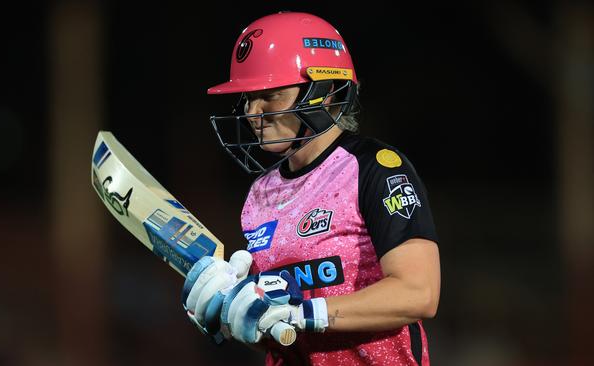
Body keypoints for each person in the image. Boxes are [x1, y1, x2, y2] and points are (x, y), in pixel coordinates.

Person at [182, 11, 441, 366]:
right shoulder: (261, 193)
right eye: (247, 97)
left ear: (325, 90)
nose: (251, 111)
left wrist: (306, 313)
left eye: (270, 95)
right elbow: (280, 331)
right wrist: (236, 316)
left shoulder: (374, 169)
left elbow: (419, 293)